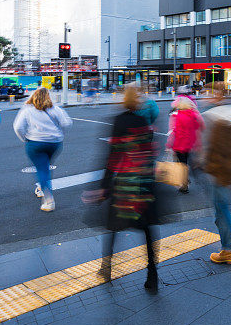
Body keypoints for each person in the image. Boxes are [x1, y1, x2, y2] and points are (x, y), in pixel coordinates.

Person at [84, 86, 160, 292]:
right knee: (147, 230)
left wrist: (103, 187)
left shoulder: (119, 121)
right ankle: (152, 275)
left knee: (113, 227)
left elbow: (112, 156)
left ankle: (106, 268)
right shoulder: (144, 122)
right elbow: (149, 152)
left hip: (125, 185)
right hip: (144, 184)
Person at [202, 85, 231, 264]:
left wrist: (208, 165)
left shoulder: (219, 118)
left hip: (219, 173)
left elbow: (218, 149)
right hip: (227, 172)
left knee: (221, 211)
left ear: (216, 95)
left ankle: (229, 249)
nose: (206, 98)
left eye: (209, 94)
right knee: (223, 209)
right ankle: (229, 247)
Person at [13, 87, 72, 212]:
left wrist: (24, 138)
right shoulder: (55, 109)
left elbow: (18, 127)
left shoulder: (27, 110)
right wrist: (59, 134)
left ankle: (48, 199)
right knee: (46, 166)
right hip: (54, 143)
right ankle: (41, 186)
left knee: (42, 169)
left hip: (35, 143)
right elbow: (67, 123)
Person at [168, 95, 203, 193]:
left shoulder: (175, 115)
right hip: (188, 144)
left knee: (180, 164)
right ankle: (185, 179)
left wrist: (168, 145)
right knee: (184, 162)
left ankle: (184, 184)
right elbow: (198, 126)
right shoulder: (192, 114)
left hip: (178, 144)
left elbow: (173, 132)